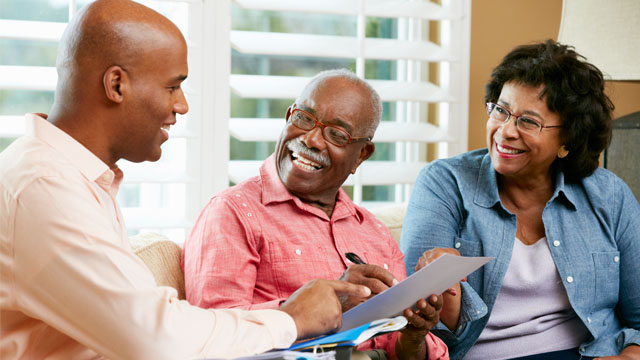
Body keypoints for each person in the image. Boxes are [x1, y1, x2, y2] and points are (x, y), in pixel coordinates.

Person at [0, 1, 372, 359]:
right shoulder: (41, 185)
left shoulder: (74, 176)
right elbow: (156, 339)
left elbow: (148, 323)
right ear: (116, 85)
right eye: (172, 86)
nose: (182, 105)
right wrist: (290, 319)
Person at [182, 69, 449, 360]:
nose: (311, 140)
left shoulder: (374, 231)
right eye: (304, 119)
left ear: (361, 155)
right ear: (288, 118)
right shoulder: (233, 213)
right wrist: (325, 305)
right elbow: (213, 336)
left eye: (336, 134)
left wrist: (413, 336)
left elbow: (402, 350)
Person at [400, 40, 640, 360]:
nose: (506, 131)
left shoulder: (607, 194)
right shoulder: (445, 183)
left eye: (528, 121)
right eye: (501, 110)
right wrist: (443, 290)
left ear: (568, 137)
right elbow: (421, 325)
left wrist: (630, 354)